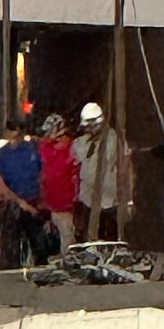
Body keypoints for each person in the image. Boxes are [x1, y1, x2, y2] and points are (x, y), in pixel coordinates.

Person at [0, 119, 47, 269]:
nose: (16, 135)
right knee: (10, 246)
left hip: (34, 202)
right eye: (12, 131)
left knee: (40, 245)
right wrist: (20, 202)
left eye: (19, 131)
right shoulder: (2, 155)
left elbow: (44, 174)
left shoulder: (33, 149)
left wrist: (41, 200)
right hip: (13, 205)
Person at [72, 102, 121, 242]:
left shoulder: (112, 139)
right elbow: (75, 156)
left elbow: (120, 163)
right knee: (87, 239)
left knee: (108, 239)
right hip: (87, 198)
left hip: (108, 200)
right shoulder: (83, 142)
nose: (88, 130)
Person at [38, 113, 79, 255]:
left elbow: (75, 175)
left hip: (65, 203)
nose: (47, 134)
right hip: (50, 204)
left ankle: (69, 265)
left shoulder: (72, 148)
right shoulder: (45, 148)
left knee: (67, 240)